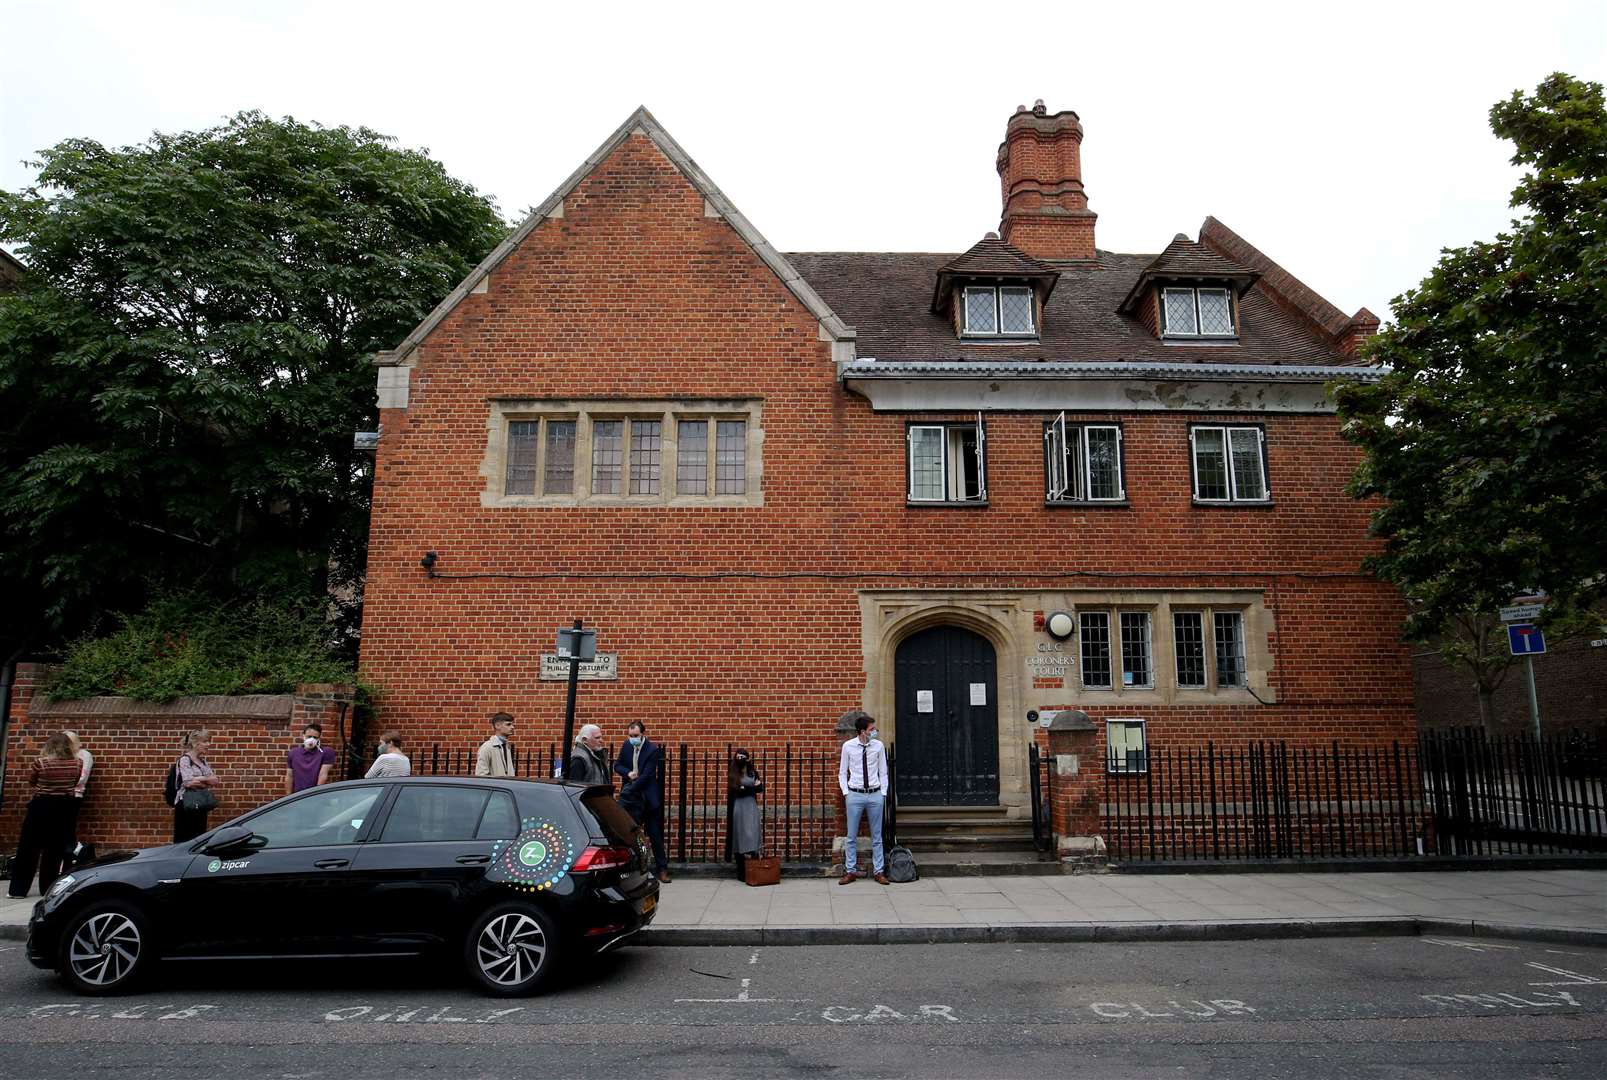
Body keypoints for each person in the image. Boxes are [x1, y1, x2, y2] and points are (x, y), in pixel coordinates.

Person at [7, 733, 81, 898]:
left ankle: (18, 890)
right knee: (54, 850)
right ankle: (47, 888)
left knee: (28, 848)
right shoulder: (77, 763)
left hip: (41, 806)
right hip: (64, 807)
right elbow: (75, 782)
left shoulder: (40, 763)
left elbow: (32, 781)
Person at [838, 711, 889, 885]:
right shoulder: (848, 746)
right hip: (855, 794)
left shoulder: (878, 746)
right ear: (862, 731)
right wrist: (846, 792)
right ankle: (850, 870)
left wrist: (883, 793)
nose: (875, 731)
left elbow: (883, 771)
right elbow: (842, 772)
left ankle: (879, 871)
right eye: (872, 729)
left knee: (877, 836)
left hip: (875, 794)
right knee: (851, 836)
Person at [614, 720, 669, 882]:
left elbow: (647, 775)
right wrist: (628, 773)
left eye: (636, 736)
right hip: (632, 800)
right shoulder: (626, 746)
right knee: (632, 836)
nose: (633, 739)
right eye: (630, 736)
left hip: (646, 798)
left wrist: (630, 789)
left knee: (654, 835)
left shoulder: (652, 749)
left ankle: (662, 869)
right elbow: (617, 765)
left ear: (642, 734)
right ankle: (636, 868)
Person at [173, 729, 219, 843]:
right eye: (205, 741)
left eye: (209, 741)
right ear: (195, 743)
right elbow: (188, 783)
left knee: (199, 837)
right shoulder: (185, 760)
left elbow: (215, 780)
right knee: (185, 838)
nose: (208, 745)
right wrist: (205, 780)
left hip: (200, 803)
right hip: (186, 804)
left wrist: (197, 778)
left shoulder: (203, 762)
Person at [725, 748, 765, 880]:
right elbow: (737, 791)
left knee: (753, 835)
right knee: (740, 837)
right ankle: (741, 872)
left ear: (747, 759)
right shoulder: (733, 774)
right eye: (738, 757)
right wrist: (751, 787)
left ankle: (753, 869)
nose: (740, 759)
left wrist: (746, 788)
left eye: (743, 757)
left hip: (751, 807)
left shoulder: (753, 772)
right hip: (739, 808)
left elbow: (761, 788)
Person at [62, 730, 93, 869]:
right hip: (58, 795)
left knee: (67, 826)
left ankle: (72, 853)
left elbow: (82, 777)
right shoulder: (62, 755)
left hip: (74, 795)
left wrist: (61, 782)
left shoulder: (84, 755)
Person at [285, 722, 337, 795]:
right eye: (309, 736)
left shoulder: (326, 752)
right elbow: (289, 775)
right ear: (303, 736)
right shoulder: (293, 753)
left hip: (315, 795)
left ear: (319, 738)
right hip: (297, 795)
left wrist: (316, 794)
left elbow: (323, 775)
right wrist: (288, 796)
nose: (311, 740)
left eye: (315, 737)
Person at [475, 712, 517, 777]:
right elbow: (481, 775)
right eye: (508, 724)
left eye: (512, 725)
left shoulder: (506, 746)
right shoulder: (487, 747)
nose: (512, 727)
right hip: (495, 786)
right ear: (497, 726)